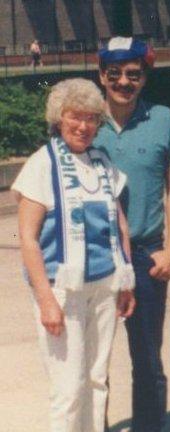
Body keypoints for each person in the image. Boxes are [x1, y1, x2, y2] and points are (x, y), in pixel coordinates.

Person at [13, 78, 135, 431]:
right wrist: (46, 300)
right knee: (68, 389)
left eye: (91, 118)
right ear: (59, 118)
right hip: (63, 293)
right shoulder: (41, 165)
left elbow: (120, 227)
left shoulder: (101, 162)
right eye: (74, 117)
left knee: (97, 381)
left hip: (104, 288)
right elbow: (29, 241)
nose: (83, 126)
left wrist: (126, 282)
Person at [93, 37, 170, 431]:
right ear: (101, 75)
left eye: (133, 74)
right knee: (93, 359)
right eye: (115, 74)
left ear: (144, 77)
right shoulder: (85, 121)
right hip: (96, 257)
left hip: (146, 254)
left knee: (147, 358)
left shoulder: (163, 119)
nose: (123, 82)